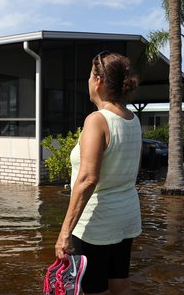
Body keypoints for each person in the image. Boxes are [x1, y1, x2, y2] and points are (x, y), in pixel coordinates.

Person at [55, 51, 142, 295]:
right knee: (120, 283)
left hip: (97, 223)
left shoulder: (97, 120)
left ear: (98, 81)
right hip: (126, 216)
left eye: (89, 77)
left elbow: (86, 180)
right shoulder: (132, 119)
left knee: (94, 290)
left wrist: (64, 233)